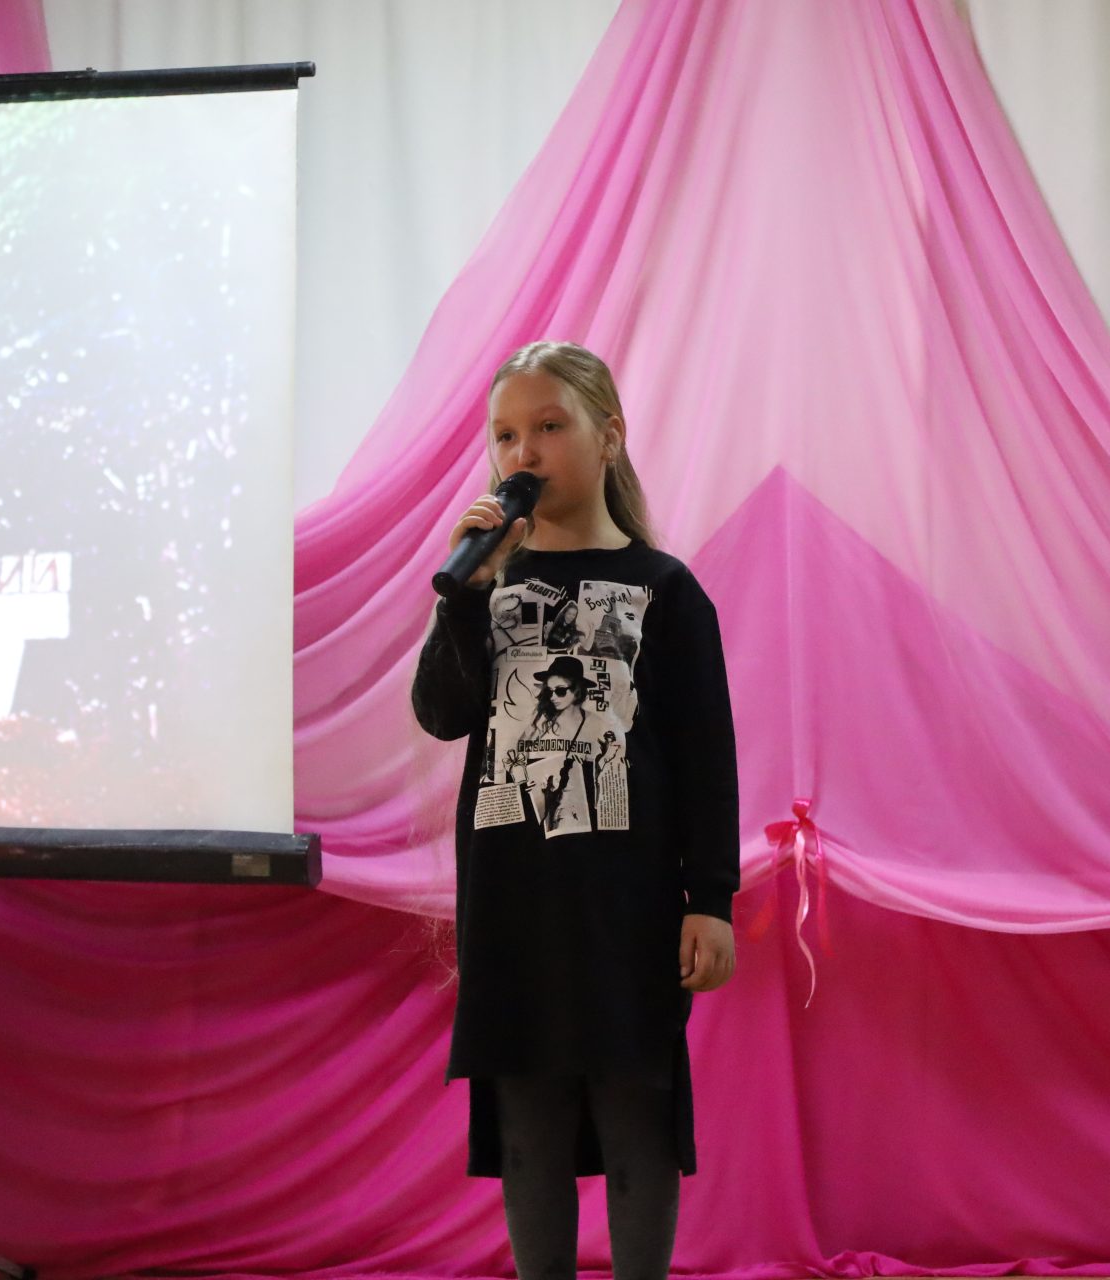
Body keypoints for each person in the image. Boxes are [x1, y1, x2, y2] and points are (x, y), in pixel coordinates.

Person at [412, 340, 739, 1280]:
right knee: (530, 1125)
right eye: (506, 435)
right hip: (513, 901)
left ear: (609, 437)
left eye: (550, 426)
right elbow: (442, 714)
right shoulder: (490, 586)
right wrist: (463, 602)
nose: (525, 452)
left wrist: (710, 900)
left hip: (625, 907)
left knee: (637, 1113)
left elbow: (706, 758)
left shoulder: (666, 589)